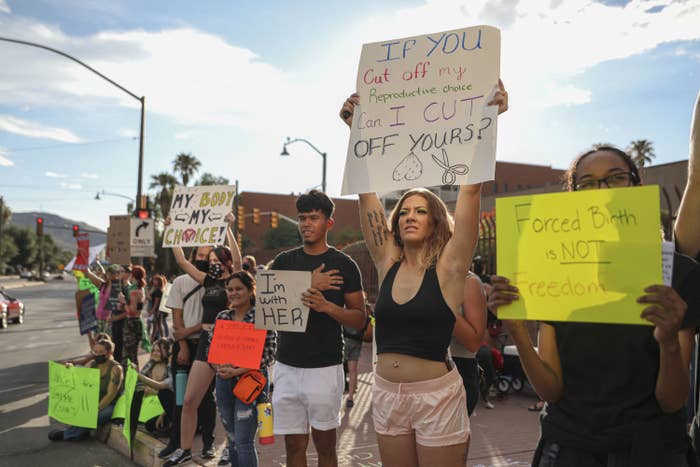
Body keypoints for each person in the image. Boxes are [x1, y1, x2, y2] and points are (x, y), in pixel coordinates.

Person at [488, 140, 699, 466]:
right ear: (573, 197)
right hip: (570, 448)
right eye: (587, 183)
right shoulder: (551, 272)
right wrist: (516, 330)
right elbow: (551, 391)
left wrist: (669, 341)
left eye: (616, 177)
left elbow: (672, 402)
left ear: (635, 184)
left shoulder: (676, 274)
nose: (601, 190)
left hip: (652, 450)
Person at [339, 80, 508, 467]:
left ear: (435, 223)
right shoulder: (387, 264)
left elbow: (469, 193)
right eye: (405, 211)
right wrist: (357, 133)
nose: (411, 216)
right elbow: (367, 196)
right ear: (395, 224)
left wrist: (488, 122)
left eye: (421, 210)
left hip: (438, 396)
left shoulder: (450, 270)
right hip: (385, 394)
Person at [270, 190, 366, 467]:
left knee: (325, 446)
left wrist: (328, 307)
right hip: (287, 365)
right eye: (302, 218)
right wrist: (308, 284)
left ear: (329, 223)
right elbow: (270, 311)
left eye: (314, 218)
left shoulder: (344, 265)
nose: (306, 224)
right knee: (293, 447)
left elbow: (360, 319)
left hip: (325, 366)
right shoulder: (284, 261)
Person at [164, 213, 242, 467]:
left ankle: (230, 449)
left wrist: (228, 227)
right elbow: (181, 260)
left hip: (229, 342)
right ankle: (185, 450)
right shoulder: (207, 280)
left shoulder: (235, 281)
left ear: (226, 261)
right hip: (206, 342)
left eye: (217, 259)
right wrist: (171, 231)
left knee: (229, 401)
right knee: (189, 400)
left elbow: (239, 259)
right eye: (210, 260)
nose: (213, 263)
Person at [214, 271, 277, 467]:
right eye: (230, 289)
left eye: (239, 288)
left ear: (251, 290)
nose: (234, 293)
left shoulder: (262, 315)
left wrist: (238, 371)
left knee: (243, 441)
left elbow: (269, 354)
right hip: (224, 382)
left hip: (251, 384)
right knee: (232, 439)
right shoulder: (223, 316)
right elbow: (212, 349)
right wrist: (219, 366)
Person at [158, 246, 215, 460]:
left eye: (207, 257)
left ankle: (208, 443)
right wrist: (182, 345)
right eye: (200, 255)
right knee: (180, 396)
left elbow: (213, 319)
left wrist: (189, 331)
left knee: (207, 397)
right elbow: (176, 316)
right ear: (192, 257)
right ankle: (176, 442)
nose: (203, 260)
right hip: (184, 346)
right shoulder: (181, 282)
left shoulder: (215, 284)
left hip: (206, 345)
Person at [48, 335, 123, 441]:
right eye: (95, 352)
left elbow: (111, 395)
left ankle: (67, 435)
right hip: (95, 400)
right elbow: (79, 374)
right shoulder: (93, 364)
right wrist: (70, 368)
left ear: (109, 353)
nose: (97, 355)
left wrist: (95, 409)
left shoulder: (116, 369)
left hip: (111, 404)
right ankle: (81, 431)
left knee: (94, 416)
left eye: (101, 352)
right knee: (82, 411)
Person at [450, 272, 487, 415]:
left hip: (457, 369)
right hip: (410, 379)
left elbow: (473, 343)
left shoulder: (468, 281)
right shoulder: (411, 273)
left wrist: (439, 299)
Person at [136, 338, 174, 436]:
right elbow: (139, 382)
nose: (155, 353)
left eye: (158, 351)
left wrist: (164, 413)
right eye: (153, 350)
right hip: (147, 402)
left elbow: (170, 393)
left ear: (166, 352)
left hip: (163, 406)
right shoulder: (150, 364)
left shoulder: (169, 367)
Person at [342, 297, 372, 409]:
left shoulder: (347, 311)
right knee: (353, 371)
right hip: (357, 343)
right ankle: (350, 398)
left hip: (345, 342)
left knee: (340, 370)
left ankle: (339, 394)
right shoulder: (364, 314)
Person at [122, 265, 147, 369]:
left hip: (132, 323)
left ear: (133, 275)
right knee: (132, 355)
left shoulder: (134, 291)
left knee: (129, 356)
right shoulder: (140, 289)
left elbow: (131, 311)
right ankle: (135, 379)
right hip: (137, 322)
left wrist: (123, 302)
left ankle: (133, 379)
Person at [149, 274, 168, 340]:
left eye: (155, 280)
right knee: (158, 325)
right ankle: (161, 338)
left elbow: (156, 303)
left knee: (157, 324)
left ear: (159, 281)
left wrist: (152, 310)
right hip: (158, 310)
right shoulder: (158, 289)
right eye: (153, 279)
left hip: (157, 310)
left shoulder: (158, 291)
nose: (154, 281)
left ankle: (155, 338)